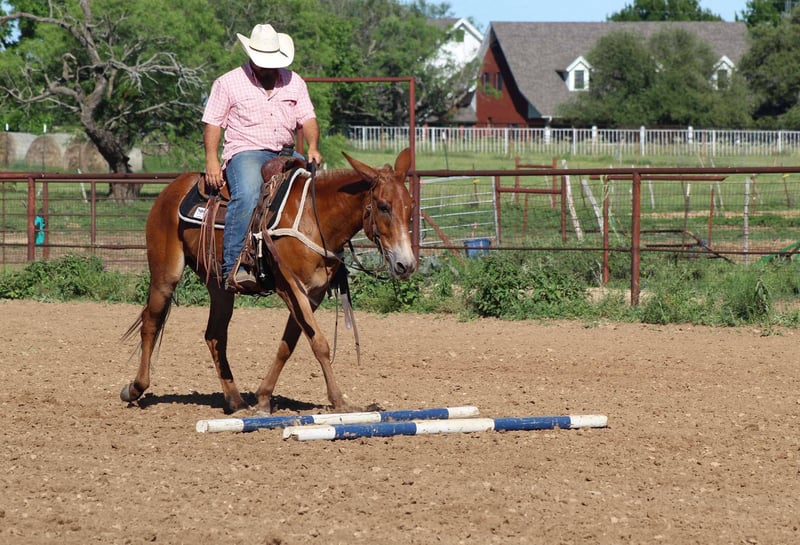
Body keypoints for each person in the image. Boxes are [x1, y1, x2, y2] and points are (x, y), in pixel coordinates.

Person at [202, 23, 323, 291]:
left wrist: (313, 146)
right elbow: (213, 123)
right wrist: (212, 160)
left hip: (286, 153)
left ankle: (322, 260)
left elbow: (308, 117)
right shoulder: (228, 82)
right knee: (247, 193)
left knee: (318, 190)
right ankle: (234, 266)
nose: (268, 67)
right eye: (263, 62)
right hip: (246, 151)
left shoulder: (294, 81)